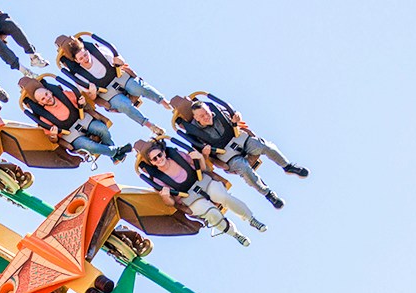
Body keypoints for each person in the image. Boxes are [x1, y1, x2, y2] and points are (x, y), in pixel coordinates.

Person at [178, 96, 308, 210]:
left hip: (240, 139)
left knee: (265, 146)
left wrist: (237, 118)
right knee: (244, 169)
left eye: (207, 113)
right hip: (226, 154)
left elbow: (235, 118)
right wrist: (205, 153)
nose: (206, 117)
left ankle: (288, 166)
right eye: (201, 116)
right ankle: (268, 194)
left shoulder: (218, 111)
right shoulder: (193, 132)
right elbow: (202, 157)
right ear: (195, 118)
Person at [132, 138, 264, 247]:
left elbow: (202, 168)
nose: (159, 159)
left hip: (203, 182)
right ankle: (234, 233)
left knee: (223, 196)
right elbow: (170, 203)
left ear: (164, 153)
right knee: (212, 213)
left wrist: (200, 157)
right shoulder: (157, 179)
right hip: (189, 198)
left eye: (159, 155)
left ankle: (251, 219)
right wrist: (166, 196)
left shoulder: (178, 156)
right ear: (152, 163)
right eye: (154, 159)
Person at [55, 33, 168, 137]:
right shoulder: (79, 76)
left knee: (137, 87)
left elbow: (118, 60)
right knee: (123, 105)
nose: (85, 59)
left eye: (85, 55)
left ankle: (163, 102)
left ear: (87, 50)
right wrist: (93, 92)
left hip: (118, 76)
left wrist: (119, 61)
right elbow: (93, 97)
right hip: (106, 91)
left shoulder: (99, 52)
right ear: (76, 61)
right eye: (81, 58)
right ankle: (150, 126)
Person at [18, 74, 129, 162]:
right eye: (43, 99)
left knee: (102, 129)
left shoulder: (65, 95)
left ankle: (115, 154)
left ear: (50, 91)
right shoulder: (44, 119)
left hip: (81, 119)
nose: (47, 99)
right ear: (40, 103)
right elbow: (54, 140)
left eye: (46, 95)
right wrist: (53, 135)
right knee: (89, 146)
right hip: (70, 134)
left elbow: (84, 106)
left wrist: (83, 103)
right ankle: (116, 152)